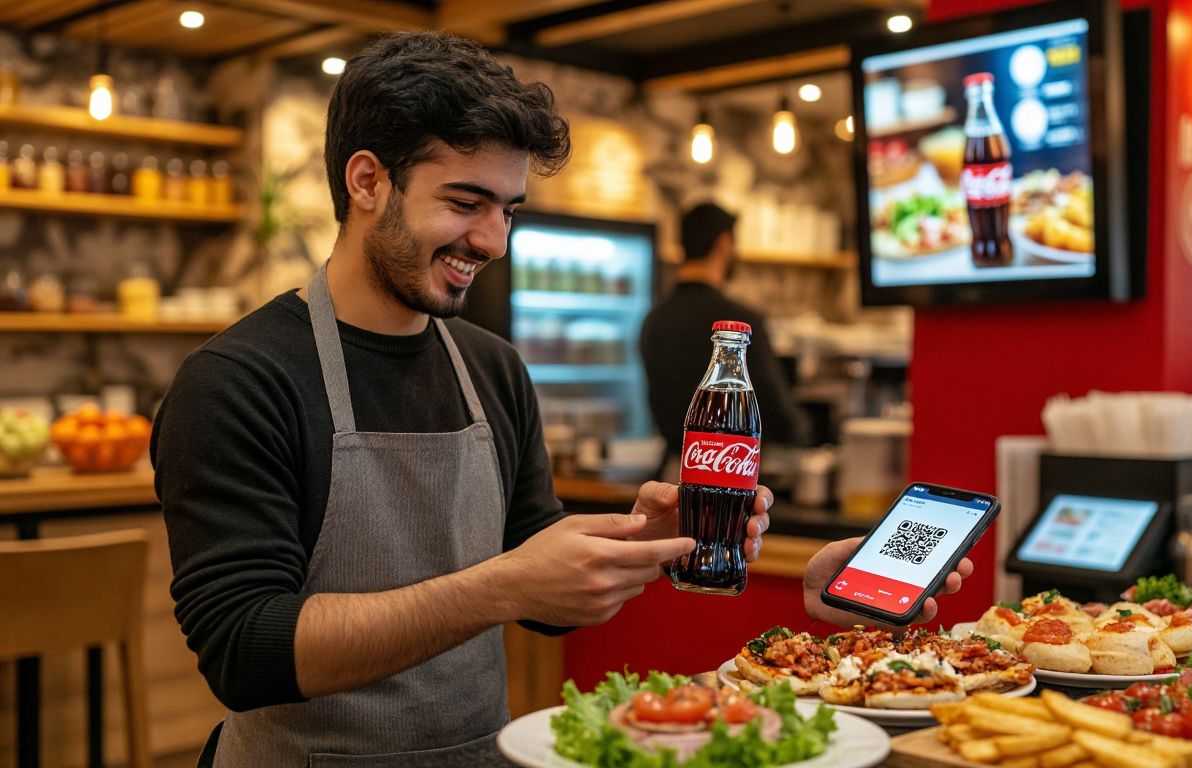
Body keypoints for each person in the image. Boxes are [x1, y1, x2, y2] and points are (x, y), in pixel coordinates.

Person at [153, 34, 775, 765]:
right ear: (366, 183)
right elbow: (245, 652)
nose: (493, 240)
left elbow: (533, 582)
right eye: (465, 202)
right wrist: (503, 586)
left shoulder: (493, 369)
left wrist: (640, 543)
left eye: (508, 209)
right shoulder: (237, 381)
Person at [639, 203, 810, 477]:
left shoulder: (653, 319)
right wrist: (806, 431)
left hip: (673, 472)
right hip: (731, 473)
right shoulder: (741, 324)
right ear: (724, 243)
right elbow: (776, 414)